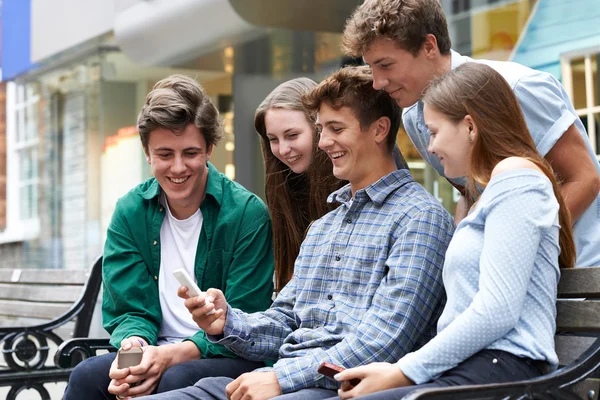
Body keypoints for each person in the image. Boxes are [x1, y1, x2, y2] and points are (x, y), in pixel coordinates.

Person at [136, 65, 455, 400]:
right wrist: (225, 321)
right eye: (321, 129)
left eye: (335, 129)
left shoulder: (420, 219)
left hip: (335, 389)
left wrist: (281, 378)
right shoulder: (322, 228)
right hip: (284, 379)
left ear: (379, 130)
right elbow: (285, 319)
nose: (324, 142)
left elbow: (385, 341)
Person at [329, 62, 576, 400]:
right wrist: (400, 370)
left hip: (503, 370)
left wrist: (403, 372)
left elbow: (497, 309)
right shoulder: (488, 191)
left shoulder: (517, 176)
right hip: (470, 369)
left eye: (433, 131)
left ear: (470, 127)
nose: (429, 147)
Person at [342, 0, 600, 267]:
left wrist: (508, 249)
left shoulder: (518, 87)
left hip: (582, 273)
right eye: (372, 68)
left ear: (429, 46)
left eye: (385, 65)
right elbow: (471, 193)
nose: (377, 82)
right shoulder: (414, 119)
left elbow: (585, 180)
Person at [63, 75, 275, 399]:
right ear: (147, 153)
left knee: (176, 380)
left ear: (209, 150)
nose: (178, 168)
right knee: (86, 377)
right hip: (154, 349)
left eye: (190, 152)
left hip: (225, 355)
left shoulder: (247, 214)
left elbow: (247, 318)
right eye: (164, 154)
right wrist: (133, 354)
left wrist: (171, 356)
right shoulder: (130, 212)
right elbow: (129, 311)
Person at [254, 78, 342, 292]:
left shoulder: (351, 184)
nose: (283, 149)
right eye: (273, 139)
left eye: (292, 135)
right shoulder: (285, 186)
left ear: (319, 128)